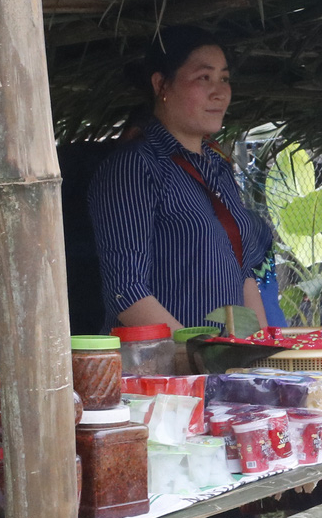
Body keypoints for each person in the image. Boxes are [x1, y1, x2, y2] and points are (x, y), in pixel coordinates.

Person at [88, 29, 276, 332]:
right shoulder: (135, 166)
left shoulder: (219, 168)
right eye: (204, 78)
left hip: (221, 364)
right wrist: (193, 354)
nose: (219, 92)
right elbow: (126, 291)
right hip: (162, 371)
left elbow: (244, 277)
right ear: (161, 84)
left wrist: (263, 355)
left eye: (224, 79)